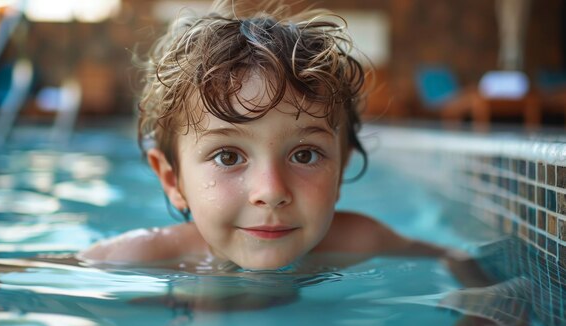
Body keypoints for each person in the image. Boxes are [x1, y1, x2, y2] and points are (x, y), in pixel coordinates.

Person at [79, 0, 466, 272]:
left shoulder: (360, 241)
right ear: (171, 179)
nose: (272, 190)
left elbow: (456, 259)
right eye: (228, 156)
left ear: (340, 168)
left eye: (305, 155)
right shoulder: (147, 256)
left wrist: (481, 299)